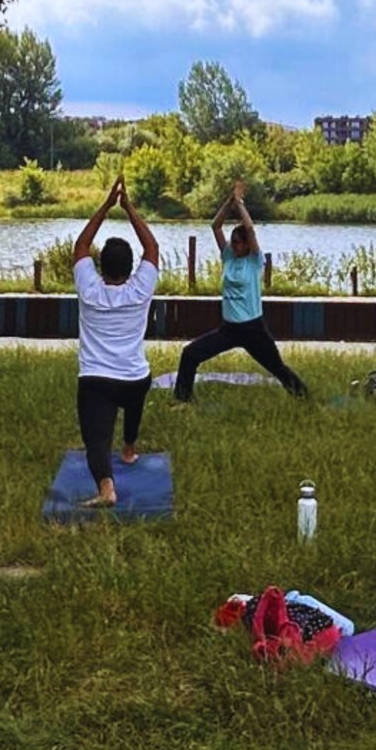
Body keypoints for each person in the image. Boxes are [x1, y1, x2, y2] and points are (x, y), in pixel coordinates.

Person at [172, 182, 308, 401]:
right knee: (190, 354)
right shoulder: (228, 256)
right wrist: (229, 202)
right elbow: (215, 226)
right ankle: (183, 400)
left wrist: (240, 204)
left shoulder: (254, 261)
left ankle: (305, 398)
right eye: (232, 242)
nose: (233, 245)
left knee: (277, 367)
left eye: (237, 242)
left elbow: (251, 230)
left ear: (246, 245)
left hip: (253, 329)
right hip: (229, 330)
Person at [71, 177, 161, 507]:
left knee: (96, 440)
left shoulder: (89, 289)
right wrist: (129, 208)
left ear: (100, 265)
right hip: (136, 378)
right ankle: (129, 448)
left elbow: (81, 246)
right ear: (131, 267)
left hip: (96, 381)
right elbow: (152, 248)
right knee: (135, 397)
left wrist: (107, 206)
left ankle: (106, 488)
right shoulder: (140, 289)